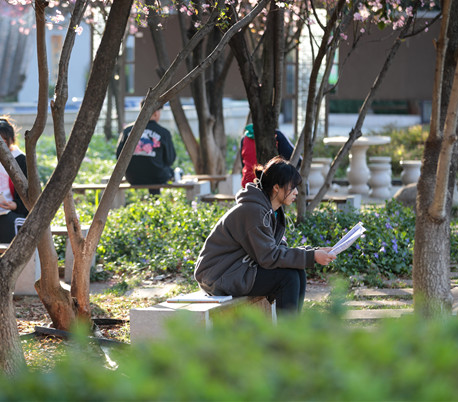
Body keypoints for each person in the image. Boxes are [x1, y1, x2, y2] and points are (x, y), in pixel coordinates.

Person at [194, 156, 335, 313]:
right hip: (218, 276)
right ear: (276, 187)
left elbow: (275, 250)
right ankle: (285, 336)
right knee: (288, 278)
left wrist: (313, 251)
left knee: (297, 272)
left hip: (239, 269)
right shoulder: (253, 212)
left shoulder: (270, 211)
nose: (296, 192)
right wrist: (312, 256)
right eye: (292, 187)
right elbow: (269, 257)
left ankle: (294, 330)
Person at [115, 102, 177, 194]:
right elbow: (170, 159)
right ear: (156, 113)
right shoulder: (164, 133)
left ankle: (144, 202)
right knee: (165, 171)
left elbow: (118, 156)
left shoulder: (127, 131)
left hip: (133, 178)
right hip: (157, 177)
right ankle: (155, 202)